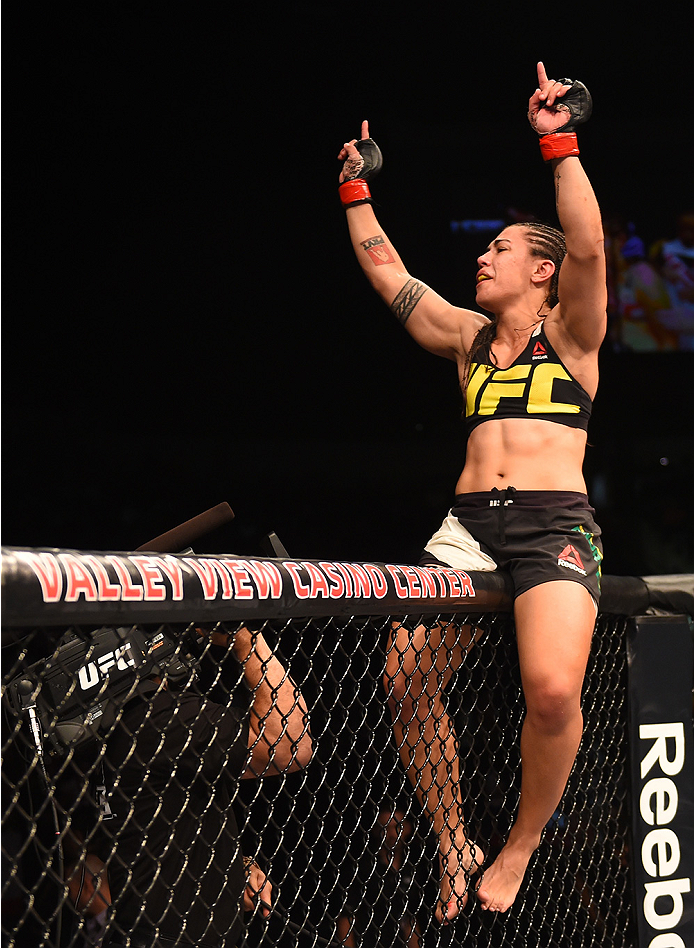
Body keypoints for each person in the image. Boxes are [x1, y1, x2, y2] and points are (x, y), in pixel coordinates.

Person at [337, 62, 606, 921]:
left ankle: (520, 845)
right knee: (404, 676)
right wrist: (354, 194)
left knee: (553, 691)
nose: (481, 258)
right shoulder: (465, 339)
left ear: (540, 274)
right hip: (467, 526)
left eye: (499, 250)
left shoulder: (574, 333)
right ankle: (451, 834)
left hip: (553, 523)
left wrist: (556, 139)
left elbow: (591, 245)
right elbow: (393, 280)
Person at [101, 623, 313, 947]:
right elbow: (290, 743)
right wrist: (245, 638)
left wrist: (232, 867)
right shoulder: (160, 718)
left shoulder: (116, 728)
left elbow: (167, 827)